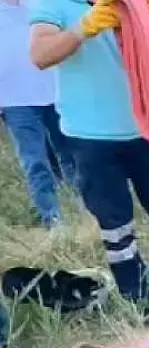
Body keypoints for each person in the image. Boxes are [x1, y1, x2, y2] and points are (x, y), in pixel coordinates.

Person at [27, 0, 149, 313]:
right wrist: (83, 27)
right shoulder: (55, 4)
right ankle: (136, 298)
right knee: (115, 224)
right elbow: (40, 55)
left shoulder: (137, 2)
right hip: (91, 136)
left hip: (148, 128)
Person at [0, 0, 78, 230]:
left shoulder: (43, 4)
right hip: (15, 101)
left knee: (71, 157)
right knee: (35, 163)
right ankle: (53, 218)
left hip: (55, 92)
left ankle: (84, 213)